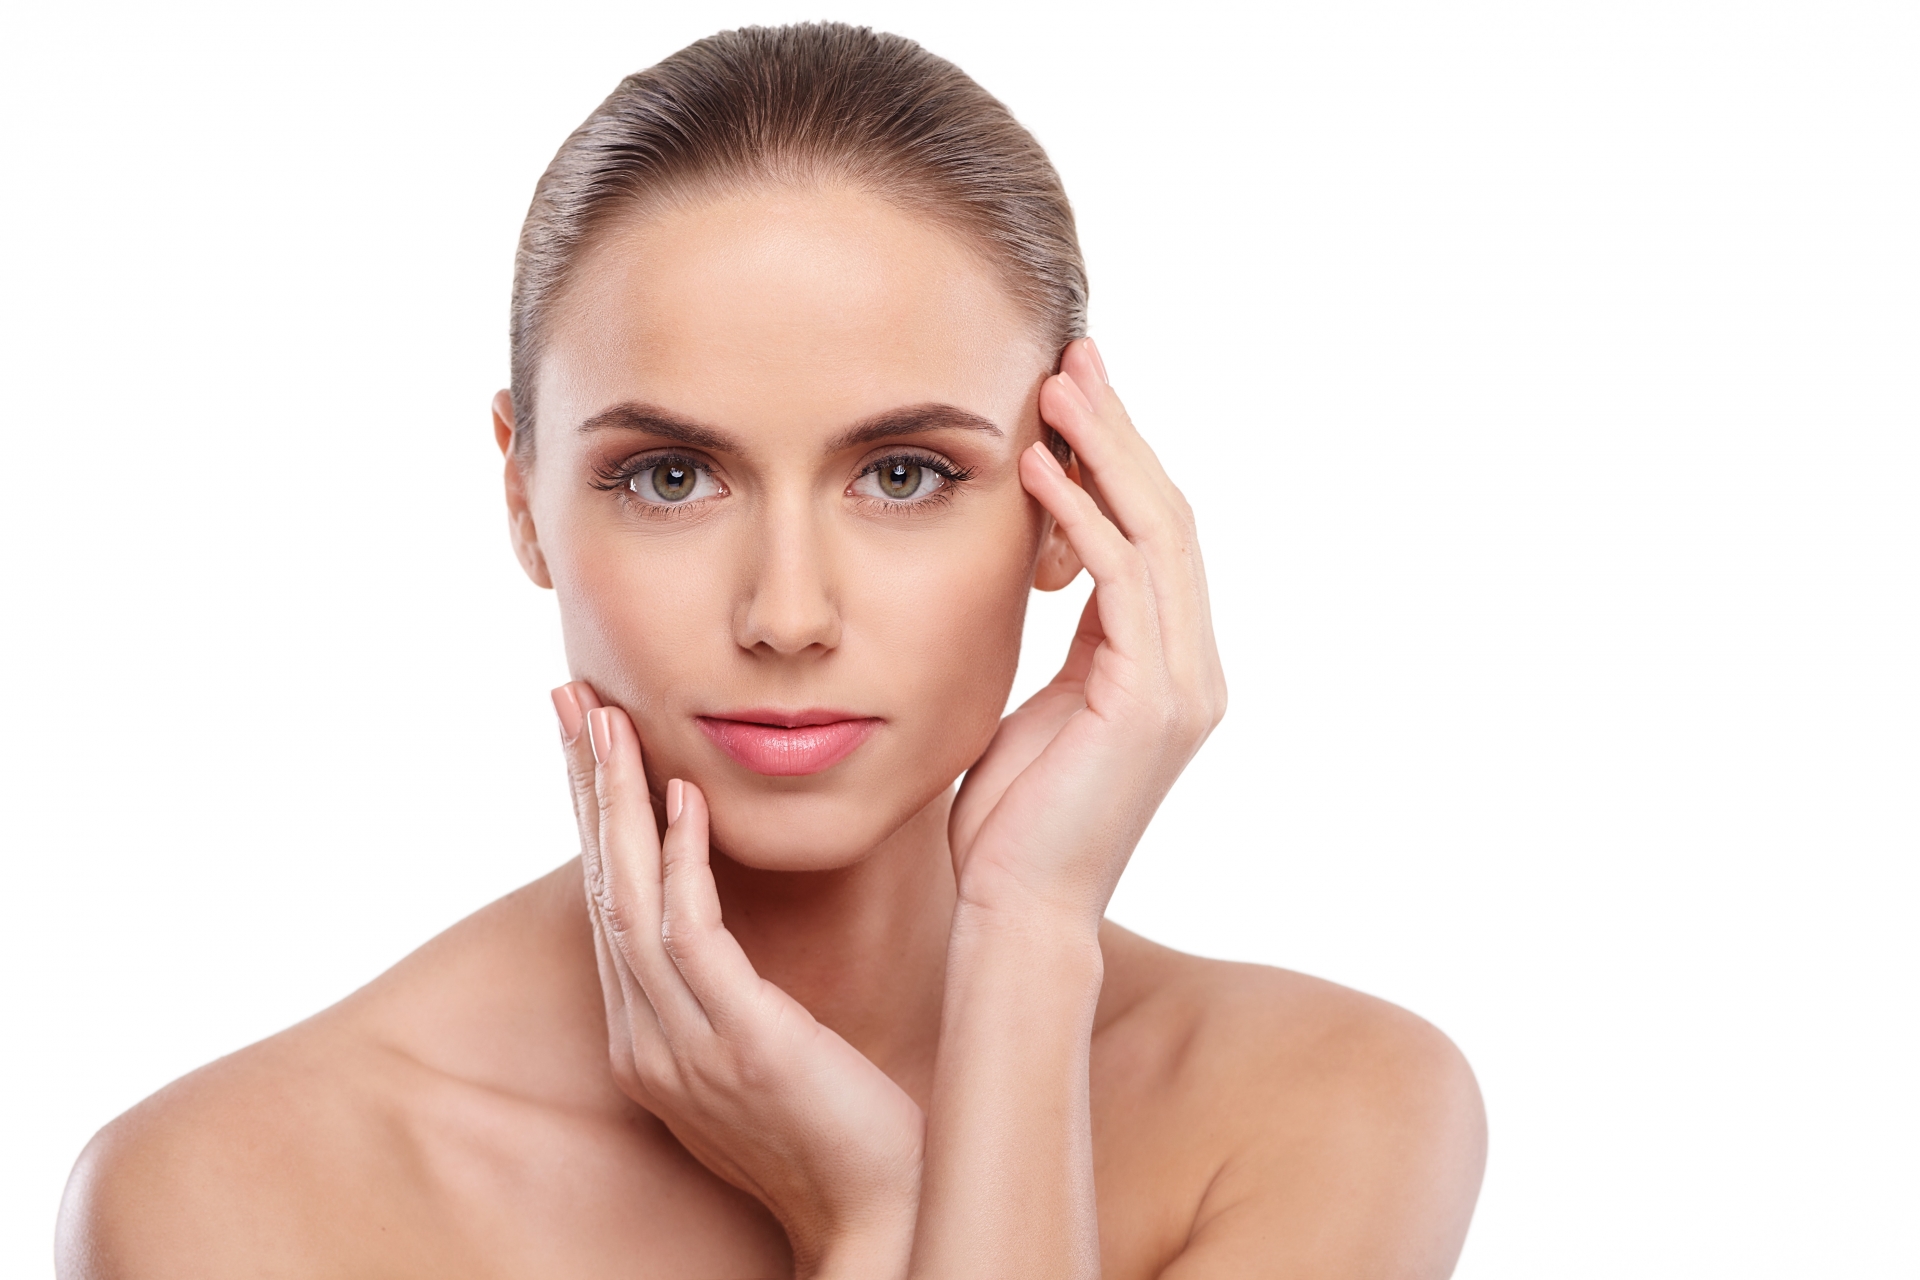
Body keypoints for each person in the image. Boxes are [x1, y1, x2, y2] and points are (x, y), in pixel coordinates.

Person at [57, 23, 1486, 1279]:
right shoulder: (229, 1195)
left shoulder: (1326, 1107)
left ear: (1072, 502)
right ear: (523, 497)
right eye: (673, 476)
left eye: (904, 475)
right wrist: (875, 1223)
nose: (788, 614)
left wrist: (1026, 948)